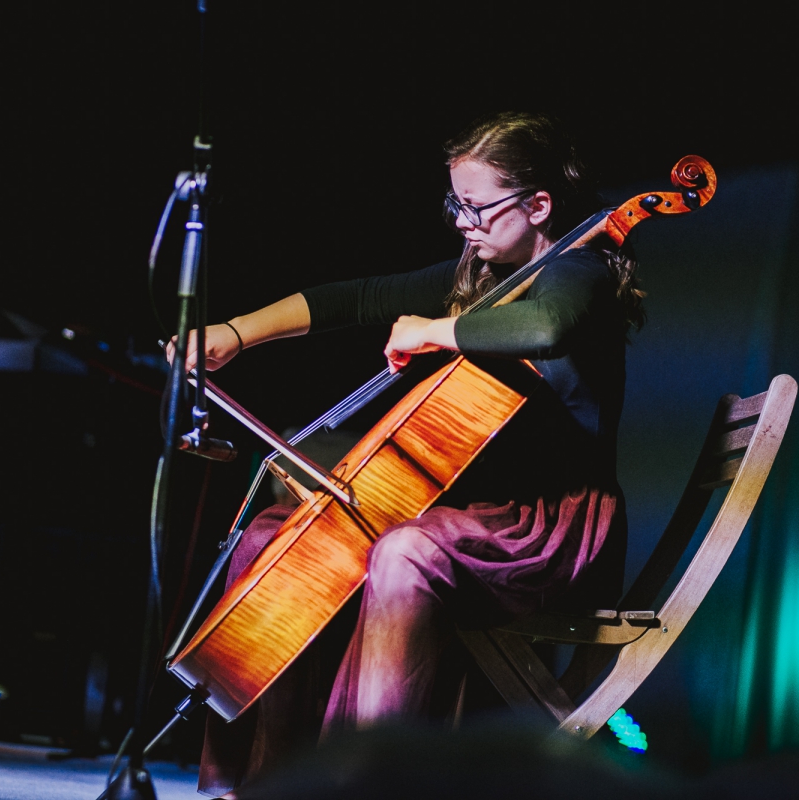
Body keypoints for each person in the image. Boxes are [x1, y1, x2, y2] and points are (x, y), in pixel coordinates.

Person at [170, 111, 643, 798]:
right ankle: (269, 778)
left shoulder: (580, 271)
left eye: (476, 206)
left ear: (539, 205)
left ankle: (369, 779)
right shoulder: (485, 274)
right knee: (277, 538)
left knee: (405, 555)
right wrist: (236, 333)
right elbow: (357, 298)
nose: (463, 223)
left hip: (547, 526)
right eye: (456, 204)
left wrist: (437, 329)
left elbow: (545, 326)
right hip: (472, 517)